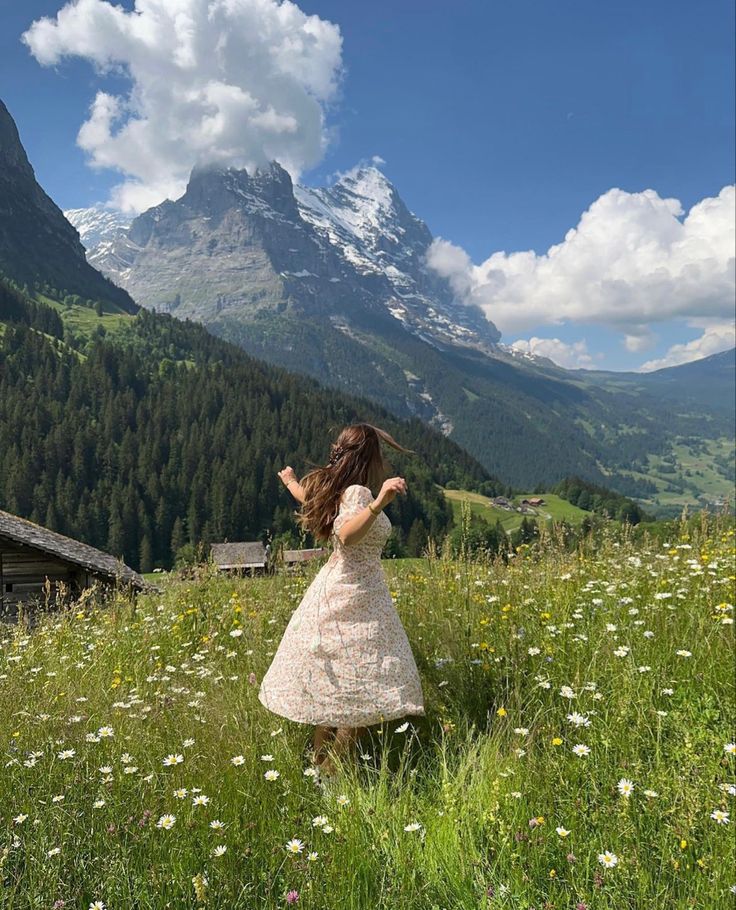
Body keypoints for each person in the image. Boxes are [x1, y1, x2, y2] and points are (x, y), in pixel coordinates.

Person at [257, 422, 425, 779]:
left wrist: (289, 482)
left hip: (338, 591)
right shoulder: (360, 494)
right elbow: (347, 535)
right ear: (370, 457)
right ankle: (331, 774)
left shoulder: (337, 489)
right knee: (362, 693)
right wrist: (380, 502)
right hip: (358, 595)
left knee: (337, 690)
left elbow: (311, 501)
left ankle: (320, 770)